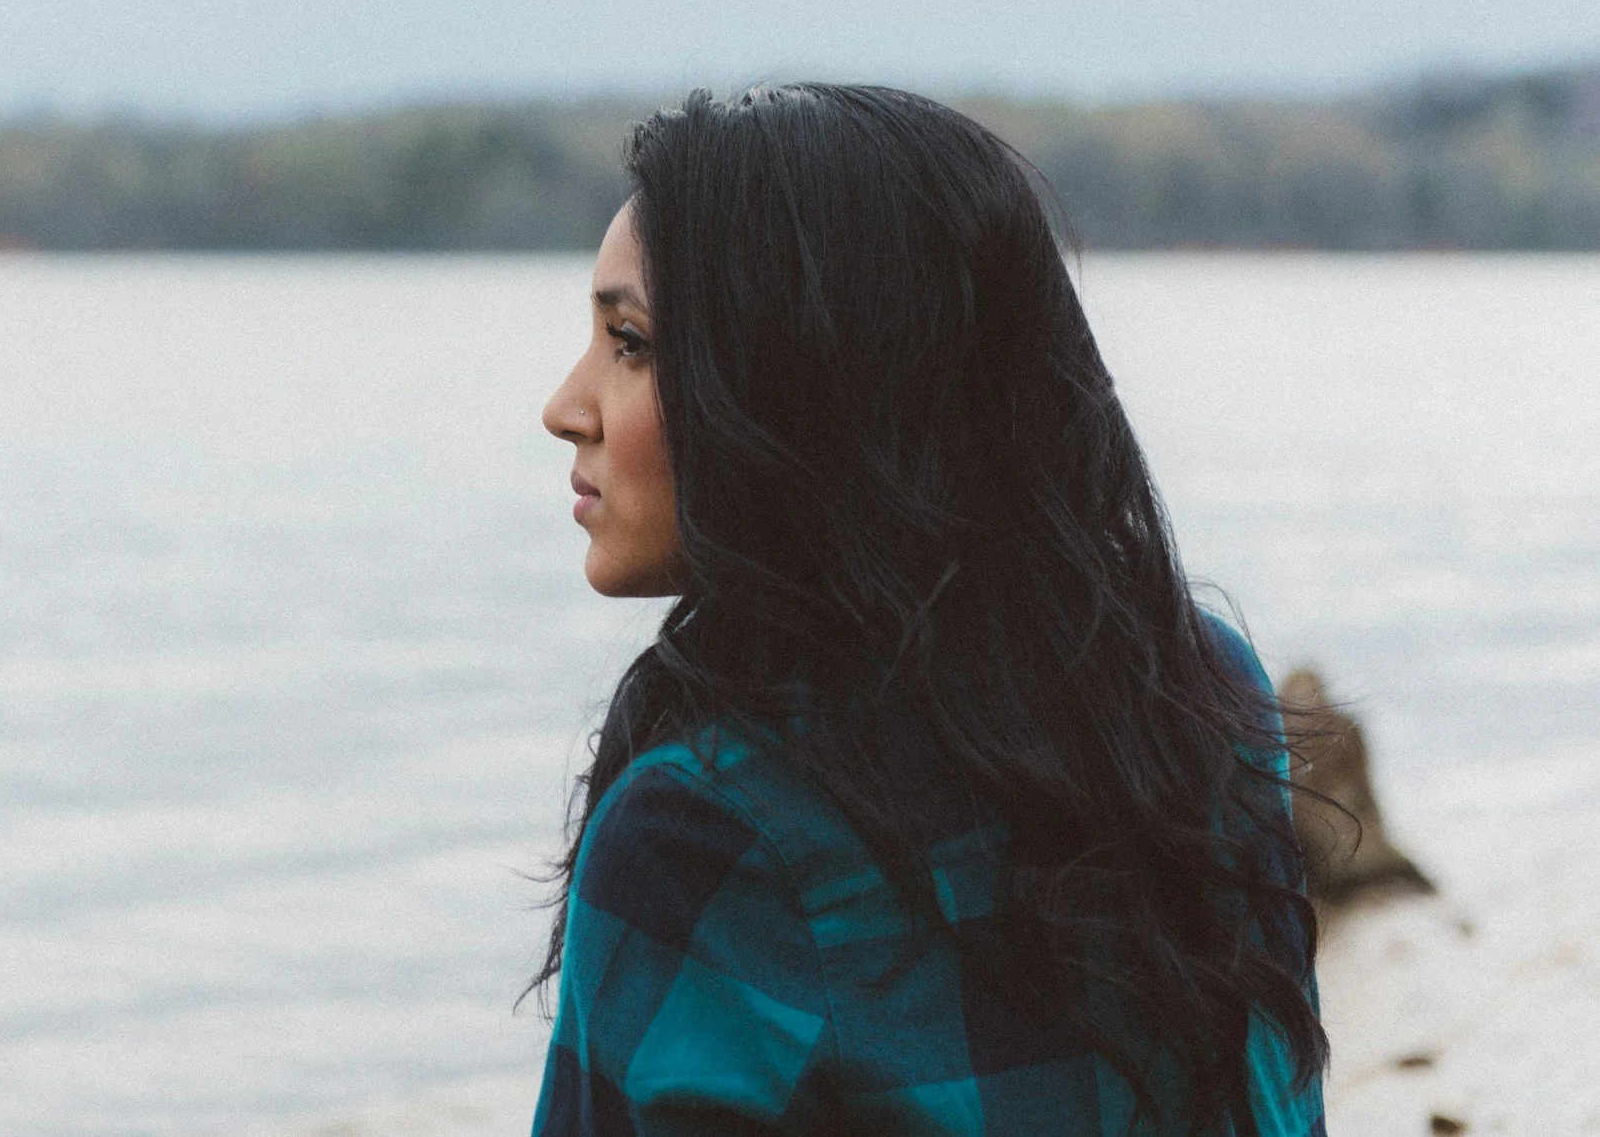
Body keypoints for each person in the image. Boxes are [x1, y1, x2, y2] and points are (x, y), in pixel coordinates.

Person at [532, 85, 1324, 1136]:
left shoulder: (707, 836)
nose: (564, 407)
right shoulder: (1191, 694)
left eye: (629, 343)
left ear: (798, 381)